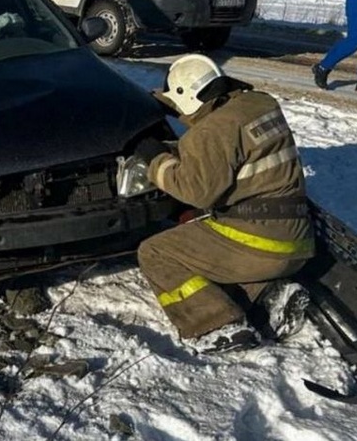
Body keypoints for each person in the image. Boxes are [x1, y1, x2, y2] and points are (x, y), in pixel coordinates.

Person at [127, 54, 314, 354]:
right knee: (210, 243)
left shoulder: (213, 130)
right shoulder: (260, 103)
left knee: (155, 252)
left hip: (260, 243)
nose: (180, 115)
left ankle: (218, 326)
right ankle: (271, 295)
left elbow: (194, 191)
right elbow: (230, 149)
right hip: (297, 238)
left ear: (186, 97)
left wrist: (155, 157)